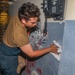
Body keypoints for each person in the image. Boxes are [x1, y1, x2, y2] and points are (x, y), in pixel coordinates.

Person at [0, 2, 59, 75]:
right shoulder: (20, 36)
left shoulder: (16, 17)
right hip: (8, 56)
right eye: (33, 23)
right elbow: (31, 54)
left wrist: (27, 29)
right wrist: (50, 49)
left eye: (36, 22)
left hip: (3, 46)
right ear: (23, 20)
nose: (35, 25)